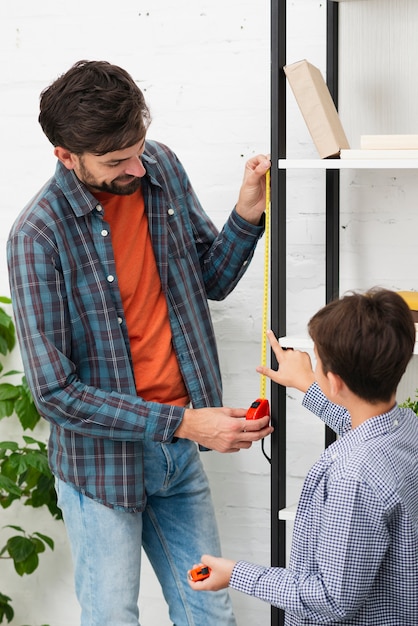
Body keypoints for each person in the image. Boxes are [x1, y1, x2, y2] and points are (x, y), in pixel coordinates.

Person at [7, 60, 273, 626]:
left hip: (178, 458)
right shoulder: (37, 236)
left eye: (138, 146)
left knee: (210, 613)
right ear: (66, 156)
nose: (135, 165)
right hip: (100, 471)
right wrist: (185, 422)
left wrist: (249, 208)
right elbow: (55, 393)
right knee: (112, 618)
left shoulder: (159, 167)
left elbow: (212, 279)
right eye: (115, 161)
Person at [188, 288, 418, 625]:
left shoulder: (352, 476)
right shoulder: (405, 428)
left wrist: (235, 574)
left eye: (317, 361)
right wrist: (309, 384)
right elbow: (360, 425)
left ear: (336, 381)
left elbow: (330, 599)